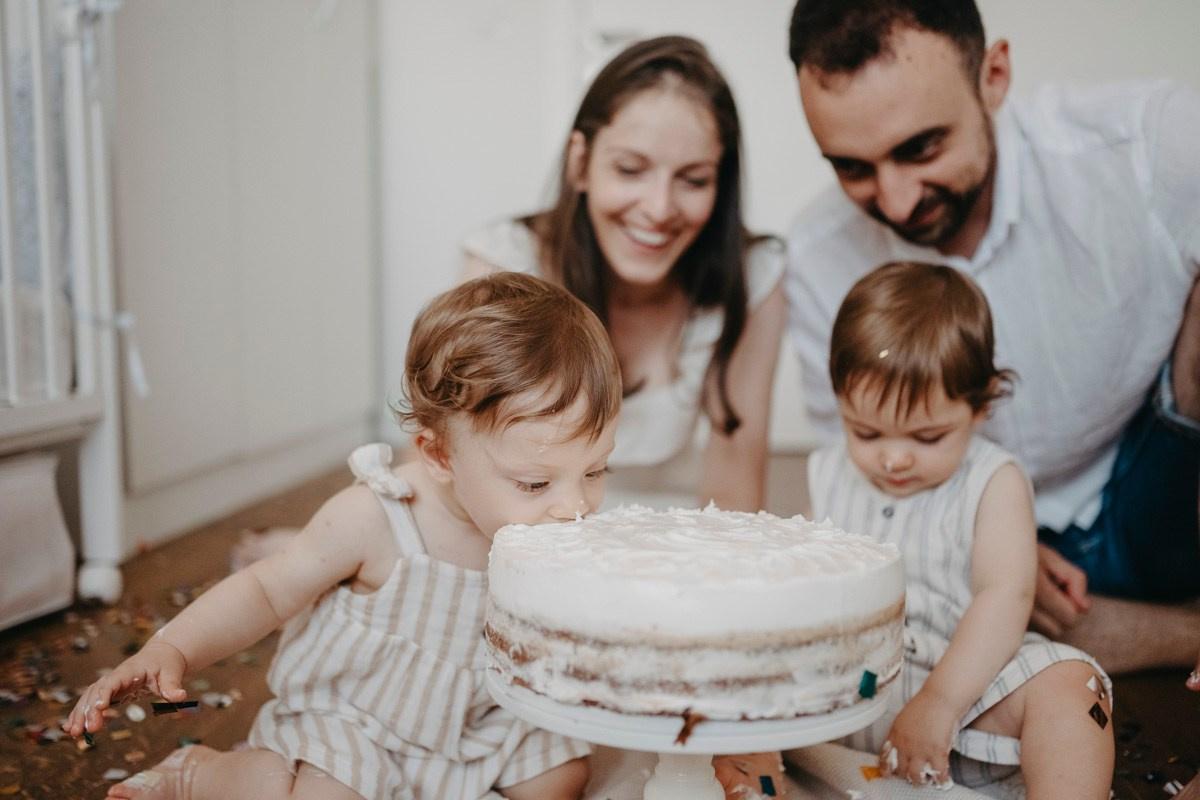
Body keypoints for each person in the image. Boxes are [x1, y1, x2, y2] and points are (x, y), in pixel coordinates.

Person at [63, 272, 623, 800]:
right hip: (356, 723)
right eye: (534, 482)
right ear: (439, 454)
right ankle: (199, 773)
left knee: (563, 776)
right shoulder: (377, 517)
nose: (574, 507)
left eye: (596, 471)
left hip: (478, 720)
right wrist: (172, 648)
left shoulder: (553, 526)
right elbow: (265, 591)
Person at [784, 0, 1200, 675]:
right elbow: (858, 462)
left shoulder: (1147, 146)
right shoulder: (817, 252)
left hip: (1163, 478)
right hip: (977, 532)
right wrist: (994, 540)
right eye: (852, 168)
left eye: (921, 148)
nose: (894, 201)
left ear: (994, 76)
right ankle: (1171, 633)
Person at [804, 261, 1113, 796]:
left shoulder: (994, 481)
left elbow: (1005, 597)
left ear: (981, 406)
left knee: (1073, 687)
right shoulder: (827, 472)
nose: (894, 458)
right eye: (866, 431)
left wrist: (941, 702)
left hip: (966, 685)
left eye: (926, 437)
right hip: (859, 690)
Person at [462, 35, 786, 513]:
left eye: (694, 180)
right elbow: (452, 475)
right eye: (631, 169)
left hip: (674, 545)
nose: (659, 209)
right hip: (532, 540)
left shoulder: (753, 277)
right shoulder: (503, 264)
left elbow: (735, 493)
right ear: (580, 163)